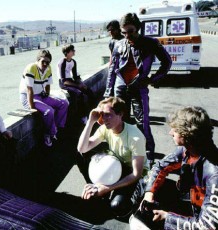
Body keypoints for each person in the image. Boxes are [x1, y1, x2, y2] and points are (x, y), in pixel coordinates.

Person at [103, 13, 172, 166]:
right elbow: (112, 70)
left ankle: (149, 157)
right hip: (120, 90)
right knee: (121, 123)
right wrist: (108, 93)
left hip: (139, 89)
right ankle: (124, 154)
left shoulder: (151, 43)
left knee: (143, 123)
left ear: (138, 28)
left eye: (131, 31)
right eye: (124, 32)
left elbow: (167, 62)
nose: (127, 35)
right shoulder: (118, 45)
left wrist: (152, 79)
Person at [140, 106, 218, 229]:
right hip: (193, 206)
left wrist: (167, 217)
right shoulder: (188, 149)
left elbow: (207, 226)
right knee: (146, 184)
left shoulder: (214, 174)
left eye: (175, 130)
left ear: (187, 134)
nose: (170, 132)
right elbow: (160, 167)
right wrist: (149, 193)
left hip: (203, 221)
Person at [77, 97, 148, 217]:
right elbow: (82, 149)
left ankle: (139, 189)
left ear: (120, 114)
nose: (104, 119)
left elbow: (136, 174)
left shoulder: (135, 137)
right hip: (117, 166)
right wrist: (90, 122)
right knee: (81, 156)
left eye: (108, 115)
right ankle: (95, 185)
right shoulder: (105, 128)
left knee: (119, 207)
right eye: (102, 115)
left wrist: (107, 188)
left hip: (133, 173)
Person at [19, 49, 69, 147]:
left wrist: (47, 94)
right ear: (37, 60)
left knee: (64, 104)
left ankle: (56, 130)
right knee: (49, 111)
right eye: (43, 61)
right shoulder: (31, 68)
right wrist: (32, 108)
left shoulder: (48, 68)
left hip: (40, 95)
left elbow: (48, 84)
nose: (45, 64)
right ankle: (48, 134)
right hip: (28, 97)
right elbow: (29, 90)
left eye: (48, 62)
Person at [57, 44, 94, 124]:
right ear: (67, 52)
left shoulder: (73, 62)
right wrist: (78, 86)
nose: (74, 51)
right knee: (79, 94)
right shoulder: (62, 62)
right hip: (64, 83)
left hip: (70, 81)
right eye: (72, 50)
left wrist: (81, 84)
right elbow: (64, 80)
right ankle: (81, 117)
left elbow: (75, 76)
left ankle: (91, 112)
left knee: (88, 91)